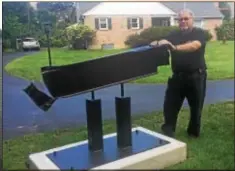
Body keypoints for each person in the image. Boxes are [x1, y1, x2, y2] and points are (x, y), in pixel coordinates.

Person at [150, 9, 207, 138]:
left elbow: (194, 45)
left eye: (186, 19)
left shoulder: (199, 33)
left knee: (196, 107)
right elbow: (164, 41)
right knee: (170, 105)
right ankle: (168, 130)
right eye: (180, 19)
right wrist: (158, 43)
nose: (183, 21)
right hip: (177, 77)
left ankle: (193, 133)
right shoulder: (174, 34)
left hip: (196, 76)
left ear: (192, 19)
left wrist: (175, 48)